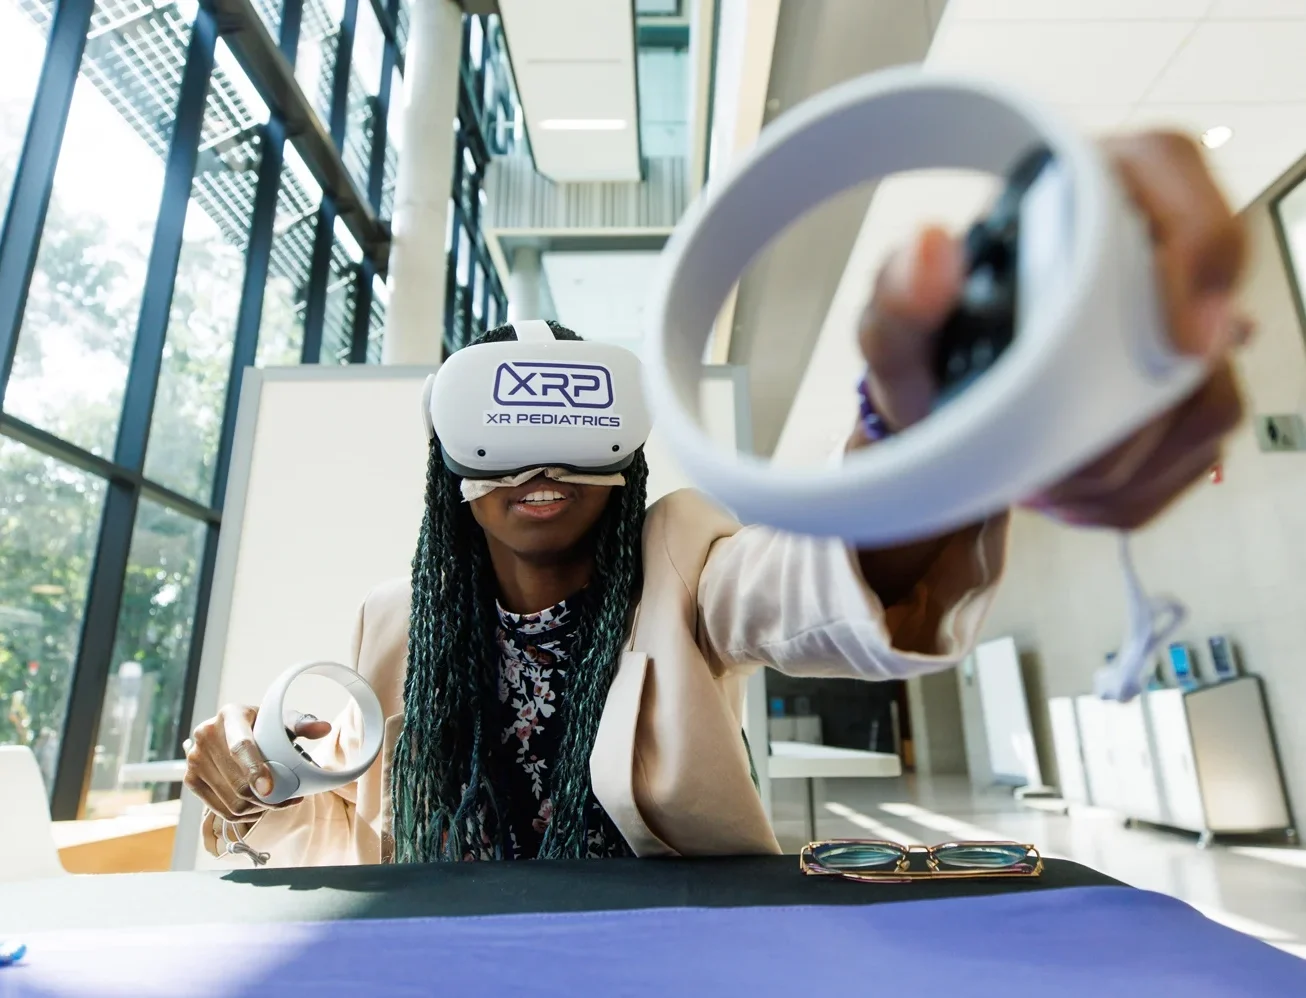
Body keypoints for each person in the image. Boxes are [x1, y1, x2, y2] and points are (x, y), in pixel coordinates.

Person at [185, 132, 1247, 866]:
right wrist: (249, 779)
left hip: (667, 945)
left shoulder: (683, 559)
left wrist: (935, 436)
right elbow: (337, 831)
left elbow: (803, 582)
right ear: (451, 476)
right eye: (499, 445)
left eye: (569, 434)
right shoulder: (392, 620)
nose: (536, 470)